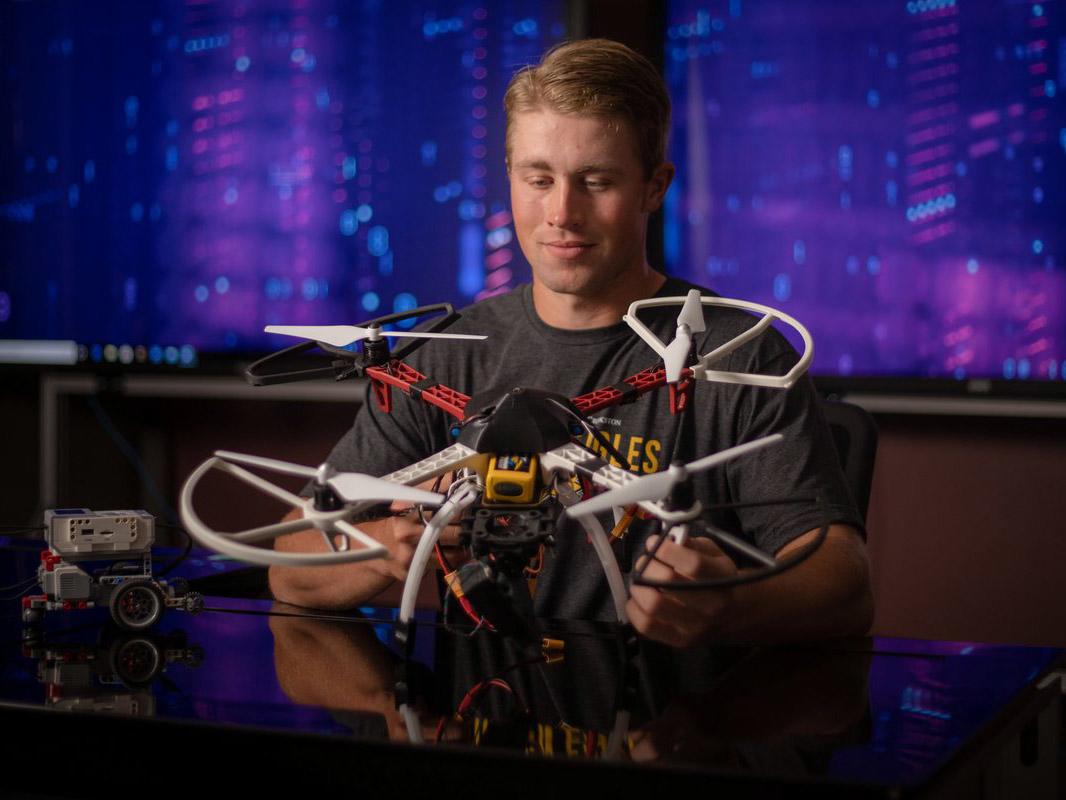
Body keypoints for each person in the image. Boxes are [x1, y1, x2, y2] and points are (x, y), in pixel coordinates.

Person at [269, 39, 873, 647]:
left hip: (668, 724)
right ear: (509, 178)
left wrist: (734, 605)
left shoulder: (736, 352)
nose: (561, 212)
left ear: (654, 187)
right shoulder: (445, 355)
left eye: (596, 181)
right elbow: (289, 566)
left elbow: (843, 581)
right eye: (539, 178)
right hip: (476, 727)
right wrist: (383, 551)